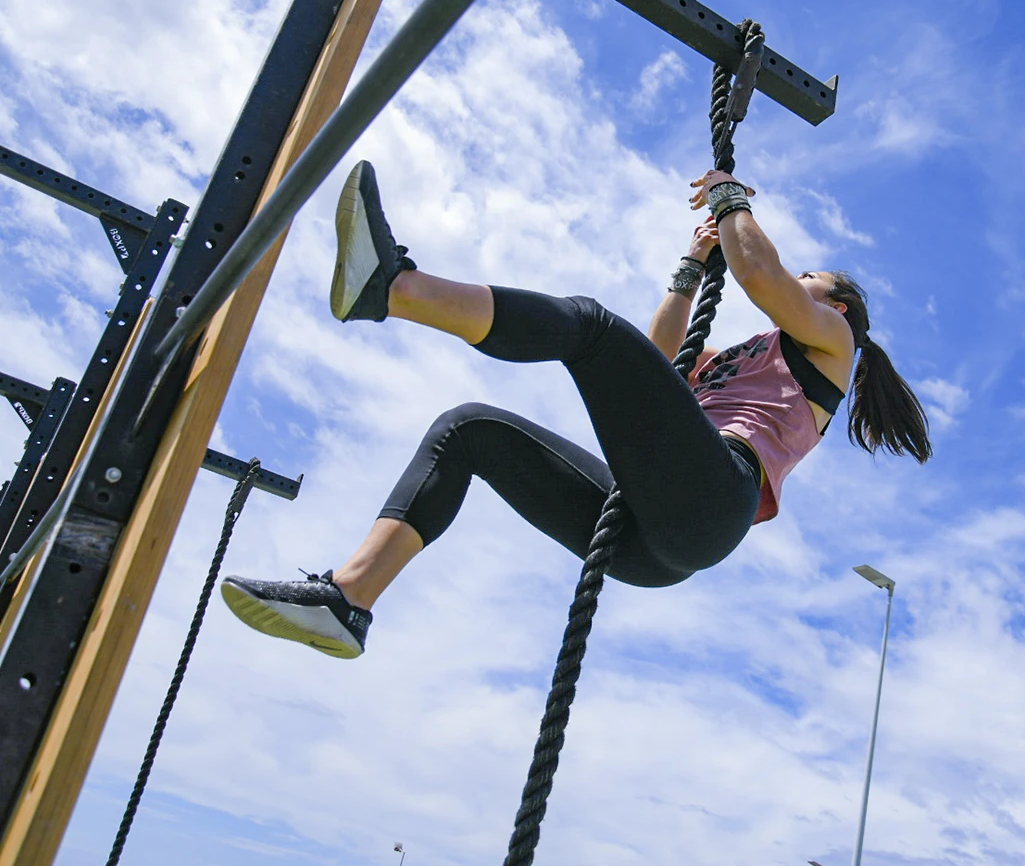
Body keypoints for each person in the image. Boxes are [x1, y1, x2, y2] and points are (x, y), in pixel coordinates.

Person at [221, 161, 931, 658]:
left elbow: (760, 273)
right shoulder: (743, 359)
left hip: (714, 499)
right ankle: (348, 599)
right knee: (468, 430)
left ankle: (393, 289)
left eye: (812, 275)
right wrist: (690, 268)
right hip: (653, 538)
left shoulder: (831, 343)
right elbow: (655, 363)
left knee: (590, 326)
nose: (797, 274)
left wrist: (732, 199)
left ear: (834, 304)